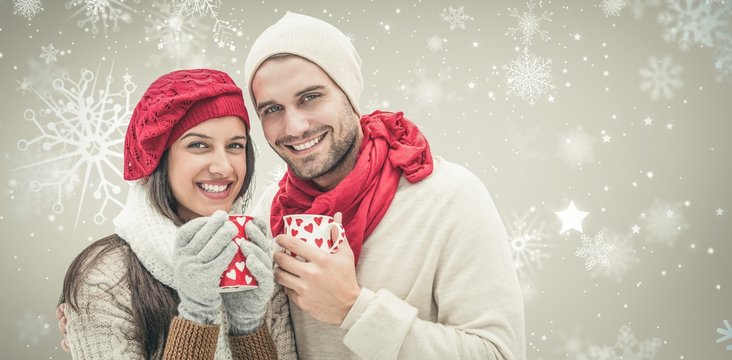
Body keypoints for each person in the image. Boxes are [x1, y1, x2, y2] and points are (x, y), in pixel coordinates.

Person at [242, 12, 526, 360]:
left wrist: (352, 309)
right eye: (272, 108)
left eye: (310, 97)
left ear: (348, 94)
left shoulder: (450, 198)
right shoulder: (269, 212)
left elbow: (499, 354)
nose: (295, 126)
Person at [58, 69, 297, 359]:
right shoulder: (105, 280)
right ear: (159, 157)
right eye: (198, 145)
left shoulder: (258, 263)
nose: (223, 167)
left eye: (235, 146)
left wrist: (248, 327)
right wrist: (197, 315)